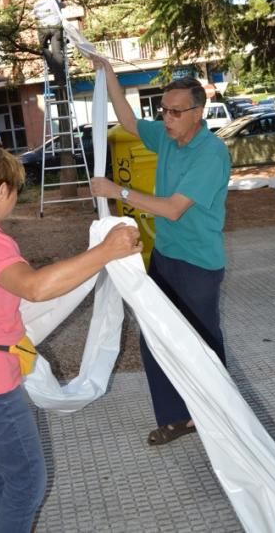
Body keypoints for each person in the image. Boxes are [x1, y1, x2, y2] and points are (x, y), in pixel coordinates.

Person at [0, 143, 141, 533]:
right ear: (3, 190)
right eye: (16, 190)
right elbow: (36, 288)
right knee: (26, 482)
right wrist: (105, 251)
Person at [90, 58, 230, 446]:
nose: (166, 118)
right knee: (154, 337)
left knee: (202, 345)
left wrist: (116, 191)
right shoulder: (167, 138)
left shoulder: (210, 153)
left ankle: (220, 412)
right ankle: (176, 418)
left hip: (199, 265)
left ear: (197, 113)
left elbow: (172, 208)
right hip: (165, 257)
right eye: (163, 110)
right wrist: (110, 76)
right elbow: (130, 122)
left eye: (175, 112)